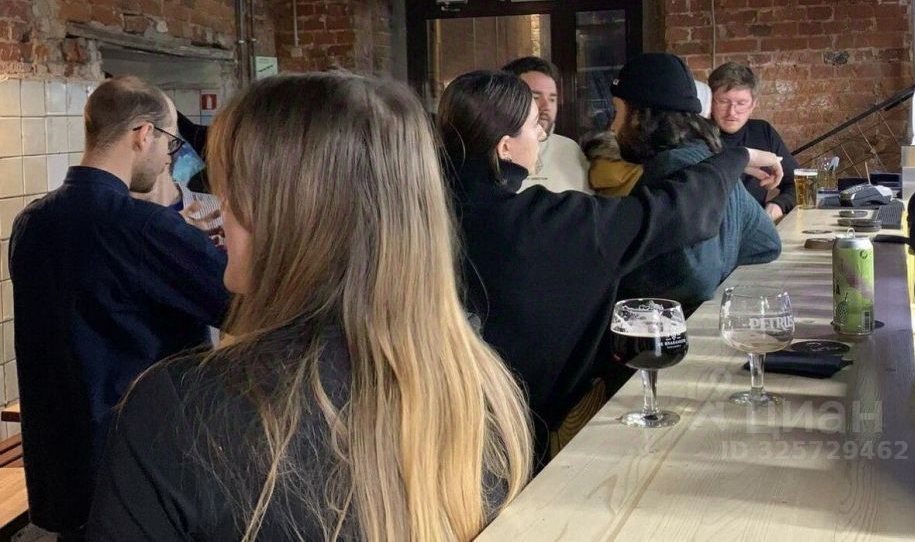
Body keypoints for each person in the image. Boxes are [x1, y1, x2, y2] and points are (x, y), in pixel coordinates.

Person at [88, 72, 533, 542]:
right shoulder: (481, 390)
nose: (224, 206)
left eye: (234, 187)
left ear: (286, 217)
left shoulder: (177, 412)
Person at [437, 70, 783, 451]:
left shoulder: (428, 214)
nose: (541, 136)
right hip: (510, 436)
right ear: (505, 147)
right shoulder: (539, 223)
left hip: (431, 422)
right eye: (534, 126)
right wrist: (738, 156)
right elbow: (677, 210)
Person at [9, 76, 229, 541]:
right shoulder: (144, 228)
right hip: (139, 471)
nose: (170, 157)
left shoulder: (30, 223)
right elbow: (243, 304)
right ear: (143, 134)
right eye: (169, 142)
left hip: (61, 478)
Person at [601, 53, 781, 306]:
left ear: (640, 115)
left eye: (618, 111)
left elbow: (696, 280)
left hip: (668, 324)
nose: (612, 126)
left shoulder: (670, 165)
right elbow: (766, 243)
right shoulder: (709, 156)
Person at [709, 61, 799, 222]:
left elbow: (798, 183)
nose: (732, 112)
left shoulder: (762, 131)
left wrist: (778, 205)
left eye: (741, 103)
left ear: (753, 105)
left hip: (753, 228)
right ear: (710, 101)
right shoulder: (695, 135)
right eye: (723, 102)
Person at [501, 56, 591, 193]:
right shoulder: (484, 155)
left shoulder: (570, 151)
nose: (547, 106)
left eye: (552, 99)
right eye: (535, 97)